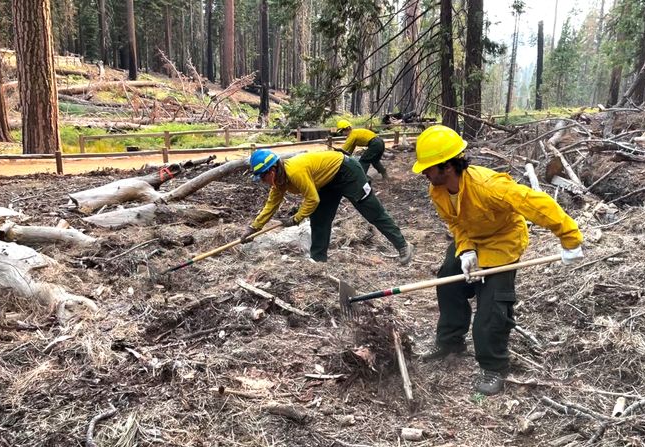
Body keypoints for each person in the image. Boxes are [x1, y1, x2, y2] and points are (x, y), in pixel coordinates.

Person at [412, 125, 584, 396]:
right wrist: (466, 250)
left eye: (429, 167)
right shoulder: (439, 191)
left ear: (447, 166)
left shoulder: (489, 186)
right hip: (473, 239)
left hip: (503, 242)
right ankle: (450, 342)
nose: (424, 173)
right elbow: (455, 223)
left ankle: (494, 366)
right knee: (448, 281)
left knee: (492, 306)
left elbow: (539, 204)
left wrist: (570, 238)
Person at [242, 149, 414, 264]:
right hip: (325, 182)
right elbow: (271, 205)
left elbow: (312, 199)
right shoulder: (278, 182)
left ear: (271, 171)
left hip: (346, 172)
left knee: (371, 210)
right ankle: (318, 261)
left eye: (262, 178)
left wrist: (296, 218)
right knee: (319, 220)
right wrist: (253, 228)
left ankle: (403, 245)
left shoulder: (294, 171)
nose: (263, 182)